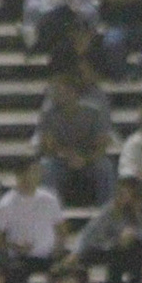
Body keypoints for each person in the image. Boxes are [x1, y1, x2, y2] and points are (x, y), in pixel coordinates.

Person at [36, 74, 115, 207]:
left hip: (89, 160)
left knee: (105, 167)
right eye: (57, 92)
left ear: (74, 93)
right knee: (46, 166)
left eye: (63, 92)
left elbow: (102, 145)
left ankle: (106, 209)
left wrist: (85, 159)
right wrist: (69, 156)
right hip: (61, 161)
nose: (58, 95)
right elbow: (48, 146)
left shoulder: (93, 113)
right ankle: (51, 210)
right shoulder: (49, 114)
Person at [0, 157, 65, 260]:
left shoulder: (50, 199)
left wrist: (57, 252)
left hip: (48, 258)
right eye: (30, 172)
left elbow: (60, 230)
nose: (33, 177)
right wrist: (14, 246)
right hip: (19, 259)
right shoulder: (5, 204)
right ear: (19, 175)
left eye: (36, 172)